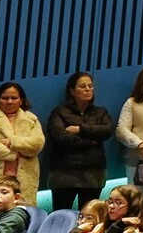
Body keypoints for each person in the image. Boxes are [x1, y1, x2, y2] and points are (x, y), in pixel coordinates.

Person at [43, 74, 116, 211]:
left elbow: (108, 130)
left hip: (93, 173)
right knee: (61, 215)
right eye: (82, 86)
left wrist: (80, 129)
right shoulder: (59, 112)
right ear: (72, 91)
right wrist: (93, 140)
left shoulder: (101, 112)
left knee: (90, 215)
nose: (87, 89)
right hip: (64, 174)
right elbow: (61, 137)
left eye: (90, 86)